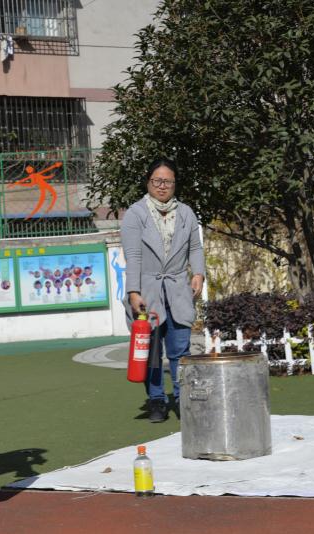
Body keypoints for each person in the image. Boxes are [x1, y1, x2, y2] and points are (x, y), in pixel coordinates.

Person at [120, 157, 205, 423]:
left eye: (167, 181)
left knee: (181, 351)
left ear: (175, 184)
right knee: (152, 353)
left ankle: (183, 400)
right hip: (147, 290)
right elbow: (132, 255)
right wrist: (133, 291)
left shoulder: (187, 213)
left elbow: (195, 247)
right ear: (148, 182)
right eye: (157, 181)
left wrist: (199, 273)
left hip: (179, 289)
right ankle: (157, 401)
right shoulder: (136, 213)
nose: (162, 186)